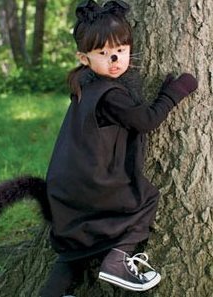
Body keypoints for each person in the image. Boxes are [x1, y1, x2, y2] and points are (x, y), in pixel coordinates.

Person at [40, 0, 198, 296]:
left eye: (121, 51)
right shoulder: (112, 95)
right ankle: (116, 260)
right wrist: (175, 91)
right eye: (103, 53)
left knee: (73, 251)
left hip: (64, 187)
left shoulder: (84, 85)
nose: (115, 59)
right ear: (84, 58)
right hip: (93, 183)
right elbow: (147, 120)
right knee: (145, 199)